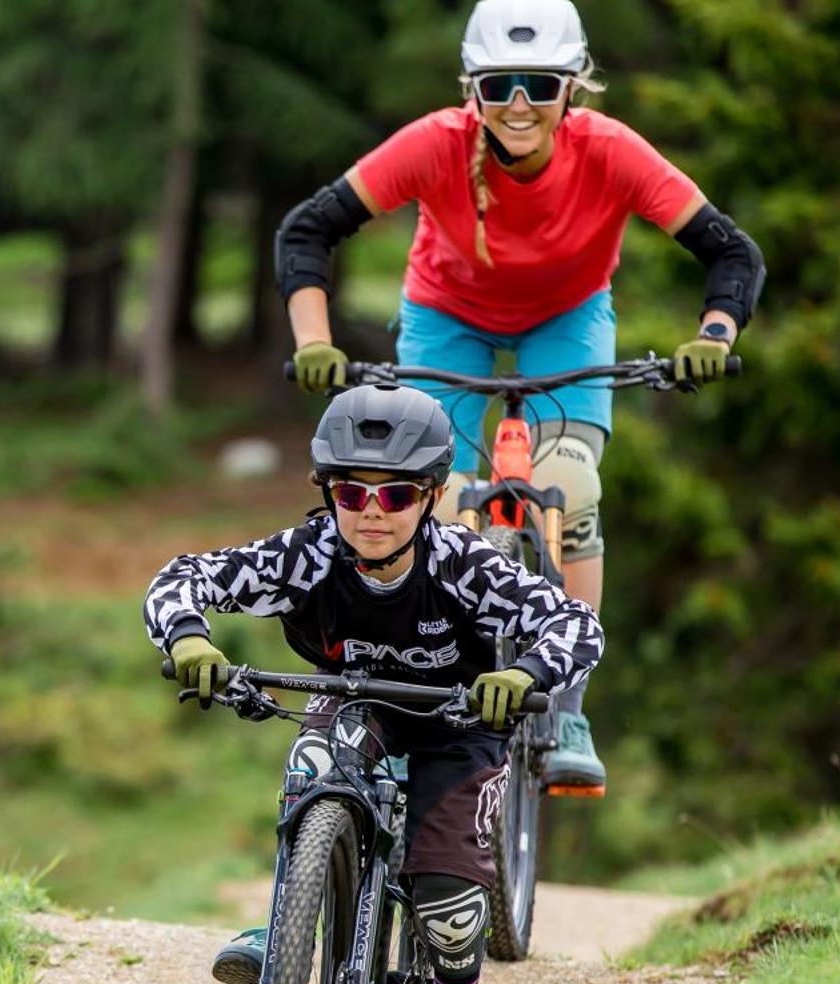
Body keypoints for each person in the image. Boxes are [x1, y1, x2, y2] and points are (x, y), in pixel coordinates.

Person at [271, 0, 766, 795]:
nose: (520, 106)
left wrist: (713, 338)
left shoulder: (608, 151)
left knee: (568, 487)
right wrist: (314, 342)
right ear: (473, 90)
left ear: (574, 89)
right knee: (430, 505)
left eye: (541, 84)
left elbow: (729, 250)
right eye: (502, 86)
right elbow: (307, 229)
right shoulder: (435, 144)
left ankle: (568, 700)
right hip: (445, 318)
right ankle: (421, 696)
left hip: (568, 322)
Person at [143, 383, 602, 984]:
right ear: (326, 492)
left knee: (447, 895)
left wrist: (528, 672)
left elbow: (574, 623)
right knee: (316, 757)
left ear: (432, 494)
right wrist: (190, 641)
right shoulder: (310, 553)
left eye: (395, 496)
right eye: (352, 494)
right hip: (357, 705)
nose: (372, 513)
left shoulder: (463, 564)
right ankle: (292, 924)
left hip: (460, 723)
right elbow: (186, 577)